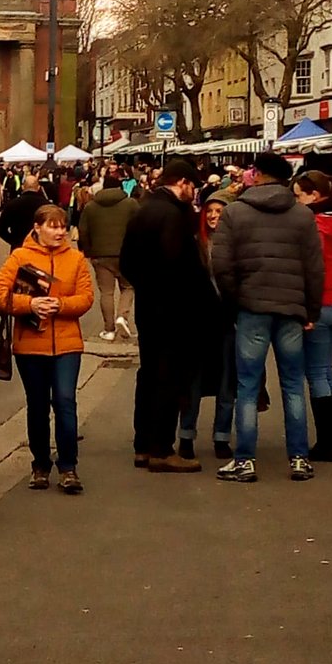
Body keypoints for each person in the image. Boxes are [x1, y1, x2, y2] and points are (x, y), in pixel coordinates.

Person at [212, 151, 324, 484]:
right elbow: (314, 268)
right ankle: (299, 458)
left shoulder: (235, 213)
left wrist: (234, 301)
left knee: (246, 386)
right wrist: (311, 309)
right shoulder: (302, 216)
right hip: (291, 308)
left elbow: (221, 265)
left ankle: (245, 459)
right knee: (292, 383)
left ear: (257, 175)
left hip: (251, 308)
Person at [0, 204, 94, 494]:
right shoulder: (20, 257)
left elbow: (86, 297)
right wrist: (30, 304)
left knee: (64, 400)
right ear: (37, 227)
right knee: (37, 404)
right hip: (30, 344)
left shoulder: (75, 259)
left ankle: (68, 466)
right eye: (52, 226)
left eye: (63, 226)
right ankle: (40, 464)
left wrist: (60, 305)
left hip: (66, 343)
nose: (59, 231)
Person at [120, 158, 214, 473]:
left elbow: (127, 262)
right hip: (174, 310)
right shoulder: (173, 215)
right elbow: (177, 267)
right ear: (183, 183)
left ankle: (142, 445)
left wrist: (145, 288)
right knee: (169, 378)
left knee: (148, 375)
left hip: (148, 306)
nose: (194, 193)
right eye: (193, 187)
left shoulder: (143, 211)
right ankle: (162, 448)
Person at [293, 170, 332, 462]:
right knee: (328, 370)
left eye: (299, 195)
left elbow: (311, 269)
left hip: (321, 301)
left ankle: (328, 443)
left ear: (314, 196)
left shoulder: (314, 225)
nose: (296, 201)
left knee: (316, 373)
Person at [180, 191, 233, 461]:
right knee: (193, 382)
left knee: (227, 382)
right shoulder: (194, 243)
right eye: (210, 211)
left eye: (220, 212)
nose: (213, 216)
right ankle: (186, 435)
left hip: (227, 321)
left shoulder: (236, 245)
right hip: (198, 322)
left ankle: (221, 437)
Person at [76, 173, 139, 342]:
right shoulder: (131, 204)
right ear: (120, 186)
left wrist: (88, 251)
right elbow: (140, 226)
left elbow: (83, 231)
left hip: (100, 255)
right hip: (127, 253)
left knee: (106, 292)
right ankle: (122, 315)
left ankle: (109, 329)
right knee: (128, 287)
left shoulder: (91, 206)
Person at [0, 174, 48, 250]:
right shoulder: (47, 205)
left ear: (22, 187)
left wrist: (13, 241)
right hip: (41, 248)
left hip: (19, 246)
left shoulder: (12, 204)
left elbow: (0, 229)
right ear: (38, 188)